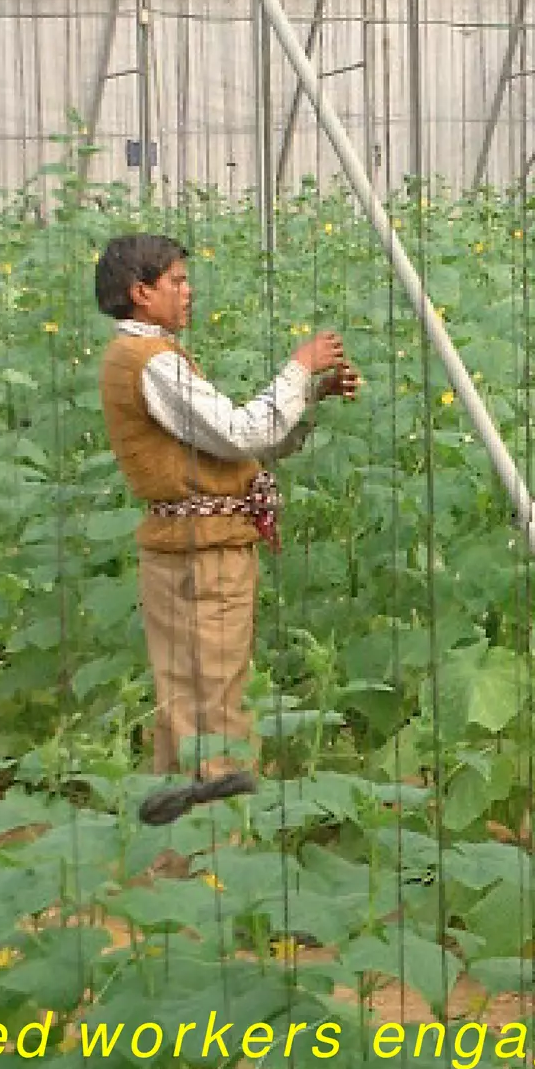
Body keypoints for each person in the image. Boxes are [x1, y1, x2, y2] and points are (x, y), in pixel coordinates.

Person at [93, 233, 357, 827]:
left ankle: (175, 856)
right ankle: (219, 859)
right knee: (216, 706)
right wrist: (299, 365)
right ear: (141, 292)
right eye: (177, 282)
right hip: (201, 557)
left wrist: (309, 396)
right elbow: (241, 435)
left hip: (183, 553)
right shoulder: (152, 362)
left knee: (182, 704)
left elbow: (230, 453)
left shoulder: (142, 357)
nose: (189, 293)